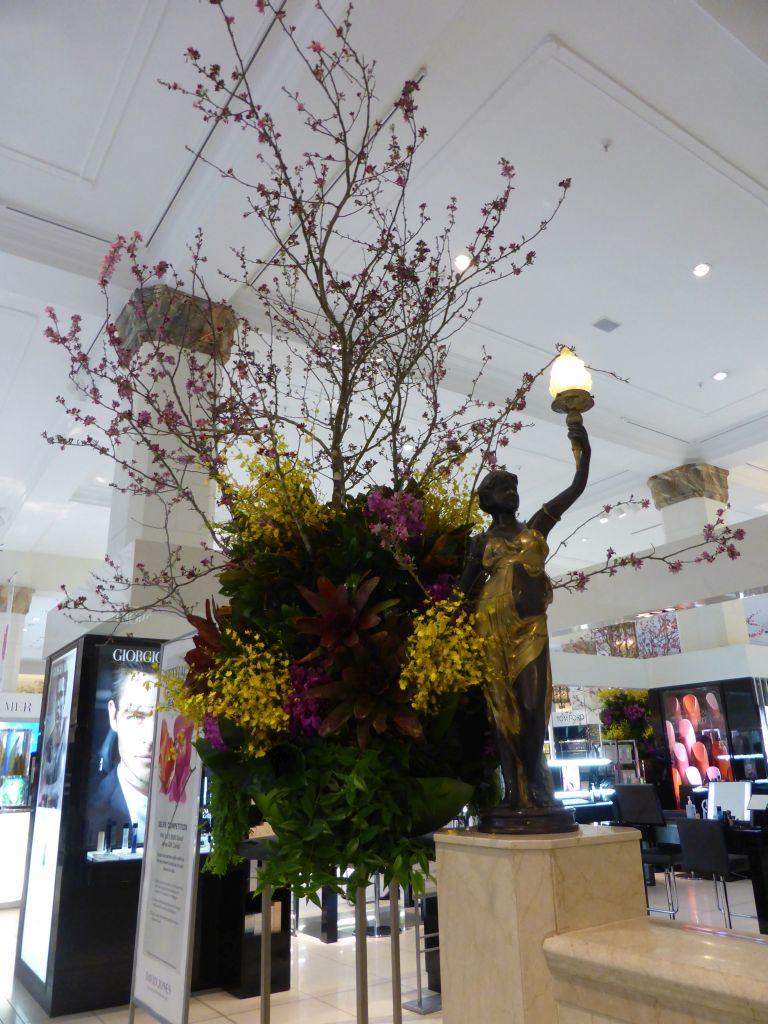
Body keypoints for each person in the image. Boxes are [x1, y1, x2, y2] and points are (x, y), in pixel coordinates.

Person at [459, 421, 591, 819]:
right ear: (487, 500)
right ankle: (514, 790)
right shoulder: (480, 543)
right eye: (504, 488)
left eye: (514, 487)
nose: (512, 493)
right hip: (491, 626)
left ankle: (534, 777)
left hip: (530, 626)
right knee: (502, 707)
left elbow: (576, 488)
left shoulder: (535, 527)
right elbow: (462, 593)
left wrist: (580, 448)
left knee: (534, 706)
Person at [88, 663, 157, 846]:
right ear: (113, 716)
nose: (150, 737)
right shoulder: (90, 811)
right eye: (136, 716)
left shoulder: (196, 806)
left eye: (164, 717)